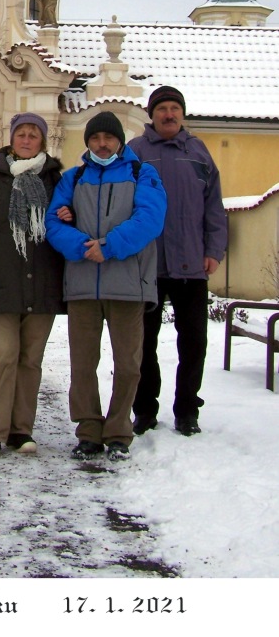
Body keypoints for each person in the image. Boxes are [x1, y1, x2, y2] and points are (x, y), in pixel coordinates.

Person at [46, 112, 167, 462]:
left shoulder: (142, 173)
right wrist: (85, 246)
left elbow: (150, 219)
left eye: (108, 138)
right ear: (87, 142)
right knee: (83, 364)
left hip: (128, 286)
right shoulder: (74, 177)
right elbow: (53, 221)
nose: (102, 144)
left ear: (120, 141)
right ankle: (88, 431)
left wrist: (109, 245)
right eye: (95, 138)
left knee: (128, 365)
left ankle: (117, 431)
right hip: (84, 286)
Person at [129, 86, 227, 437]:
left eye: (174, 108)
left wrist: (214, 250)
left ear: (181, 113)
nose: (169, 115)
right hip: (148, 265)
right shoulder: (135, 152)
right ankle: (144, 410)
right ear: (151, 115)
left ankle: (187, 409)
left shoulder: (199, 152)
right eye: (162, 109)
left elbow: (214, 207)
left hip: (192, 264)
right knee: (144, 343)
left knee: (194, 342)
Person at [0, 113, 65, 458]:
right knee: (2, 356)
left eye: (33, 135)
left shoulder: (54, 178)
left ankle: (21, 430)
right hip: (0, 284)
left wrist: (69, 216)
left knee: (30, 360)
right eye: (20, 134)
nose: (26, 139)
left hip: (43, 283)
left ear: (42, 140)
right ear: (11, 139)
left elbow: (64, 223)